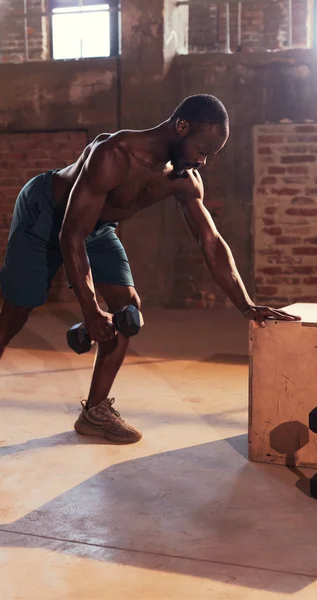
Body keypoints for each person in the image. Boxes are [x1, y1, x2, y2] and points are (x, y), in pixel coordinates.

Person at [0, 94, 301, 444]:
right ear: (181, 126)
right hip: (47, 212)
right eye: (201, 150)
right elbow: (70, 234)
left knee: (128, 310)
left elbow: (211, 242)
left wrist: (246, 304)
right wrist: (90, 308)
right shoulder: (115, 154)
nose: (202, 161)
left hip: (95, 227)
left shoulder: (185, 178)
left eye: (209, 155)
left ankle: (95, 412)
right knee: (15, 315)